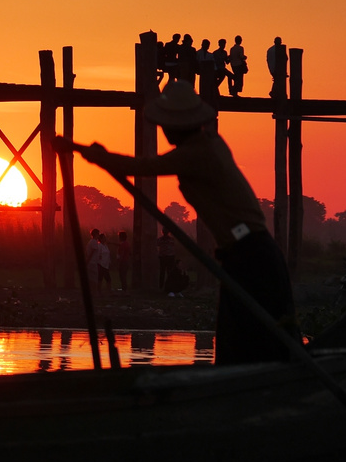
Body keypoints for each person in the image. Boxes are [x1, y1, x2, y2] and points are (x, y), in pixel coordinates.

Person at [80, 80, 300, 365]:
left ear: (178, 125)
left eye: (168, 125)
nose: (165, 130)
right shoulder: (210, 143)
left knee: (254, 337)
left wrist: (103, 159)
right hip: (246, 253)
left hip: (251, 255)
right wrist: (105, 158)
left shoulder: (196, 152)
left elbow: (146, 167)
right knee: (249, 336)